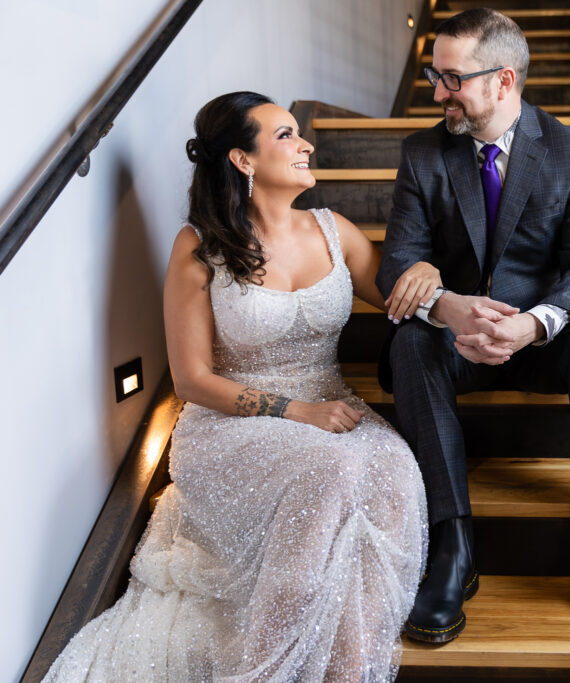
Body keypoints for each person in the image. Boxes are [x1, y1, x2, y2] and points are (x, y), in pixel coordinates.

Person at [45, 91, 438, 682]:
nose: (306, 143)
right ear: (242, 160)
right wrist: (295, 411)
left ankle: (348, 668)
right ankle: (265, 668)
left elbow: (404, 299)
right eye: (285, 135)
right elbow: (192, 380)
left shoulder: (336, 231)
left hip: (330, 402)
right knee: (329, 472)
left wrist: (426, 272)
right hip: (231, 424)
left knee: (390, 469)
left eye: (298, 133)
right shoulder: (199, 247)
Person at [376, 9, 570, 645]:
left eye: (451, 78)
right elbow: (395, 261)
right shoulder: (423, 153)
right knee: (412, 342)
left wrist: (532, 325)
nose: (437, 91)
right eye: (432, 75)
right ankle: (452, 542)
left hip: (539, 341)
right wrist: (445, 305)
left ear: (504, 81)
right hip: (454, 340)